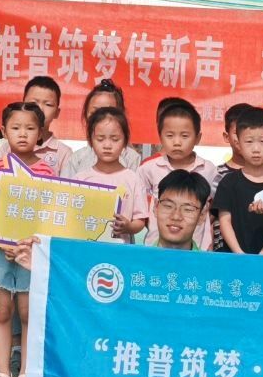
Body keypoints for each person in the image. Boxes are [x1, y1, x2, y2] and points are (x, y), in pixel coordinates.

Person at [0, 102, 56, 377]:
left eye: (30, 128)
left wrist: (26, 244)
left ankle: (25, 375)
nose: (23, 134)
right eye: (16, 128)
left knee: (27, 312)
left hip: (30, 255)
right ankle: (3, 373)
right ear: (3, 131)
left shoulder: (47, 171)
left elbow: (50, 215)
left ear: (41, 133)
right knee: (3, 311)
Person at [139, 99, 219, 251]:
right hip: (156, 247)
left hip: (196, 250)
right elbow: (139, 204)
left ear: (198, 138)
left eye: (184, 136)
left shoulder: (208, 169)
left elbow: (216, 205)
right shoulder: (149, 168)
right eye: (170, 136)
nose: (177, 142)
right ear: (160, 136)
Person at [214, 107, 263, 255]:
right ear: (238, 144)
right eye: (249, 141)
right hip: (234, 257)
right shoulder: (228, 182)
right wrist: (239, 254)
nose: (256, 149)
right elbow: (224, 221)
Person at [78, 106, 150, 243]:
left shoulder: (133, 179)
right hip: (87, 247)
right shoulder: (81, 179)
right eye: (100, 139)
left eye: (115, 139)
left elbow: (140, 220)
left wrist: (128, 227)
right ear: (90, 141)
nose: (107, 145)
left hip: (120, 249)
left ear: (125, 141)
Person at [60, 79, 140, 178]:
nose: (102, 117)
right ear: (85, 115)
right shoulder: (77, 159)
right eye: (95, 112)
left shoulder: (132, 159)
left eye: (109, 111)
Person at [149, 169, 212, 250]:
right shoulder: (137, 257)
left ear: (202, 215)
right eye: (168, 206)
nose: (176, 216)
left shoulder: (206, 259)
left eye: (188, 209)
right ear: (156, 207)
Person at [24, 76, 71, 175]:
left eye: (48, 104)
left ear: (57, 113)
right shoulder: (8, 148)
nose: (40, 109)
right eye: (33, 103)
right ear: (22, 106)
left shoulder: (64, 153)